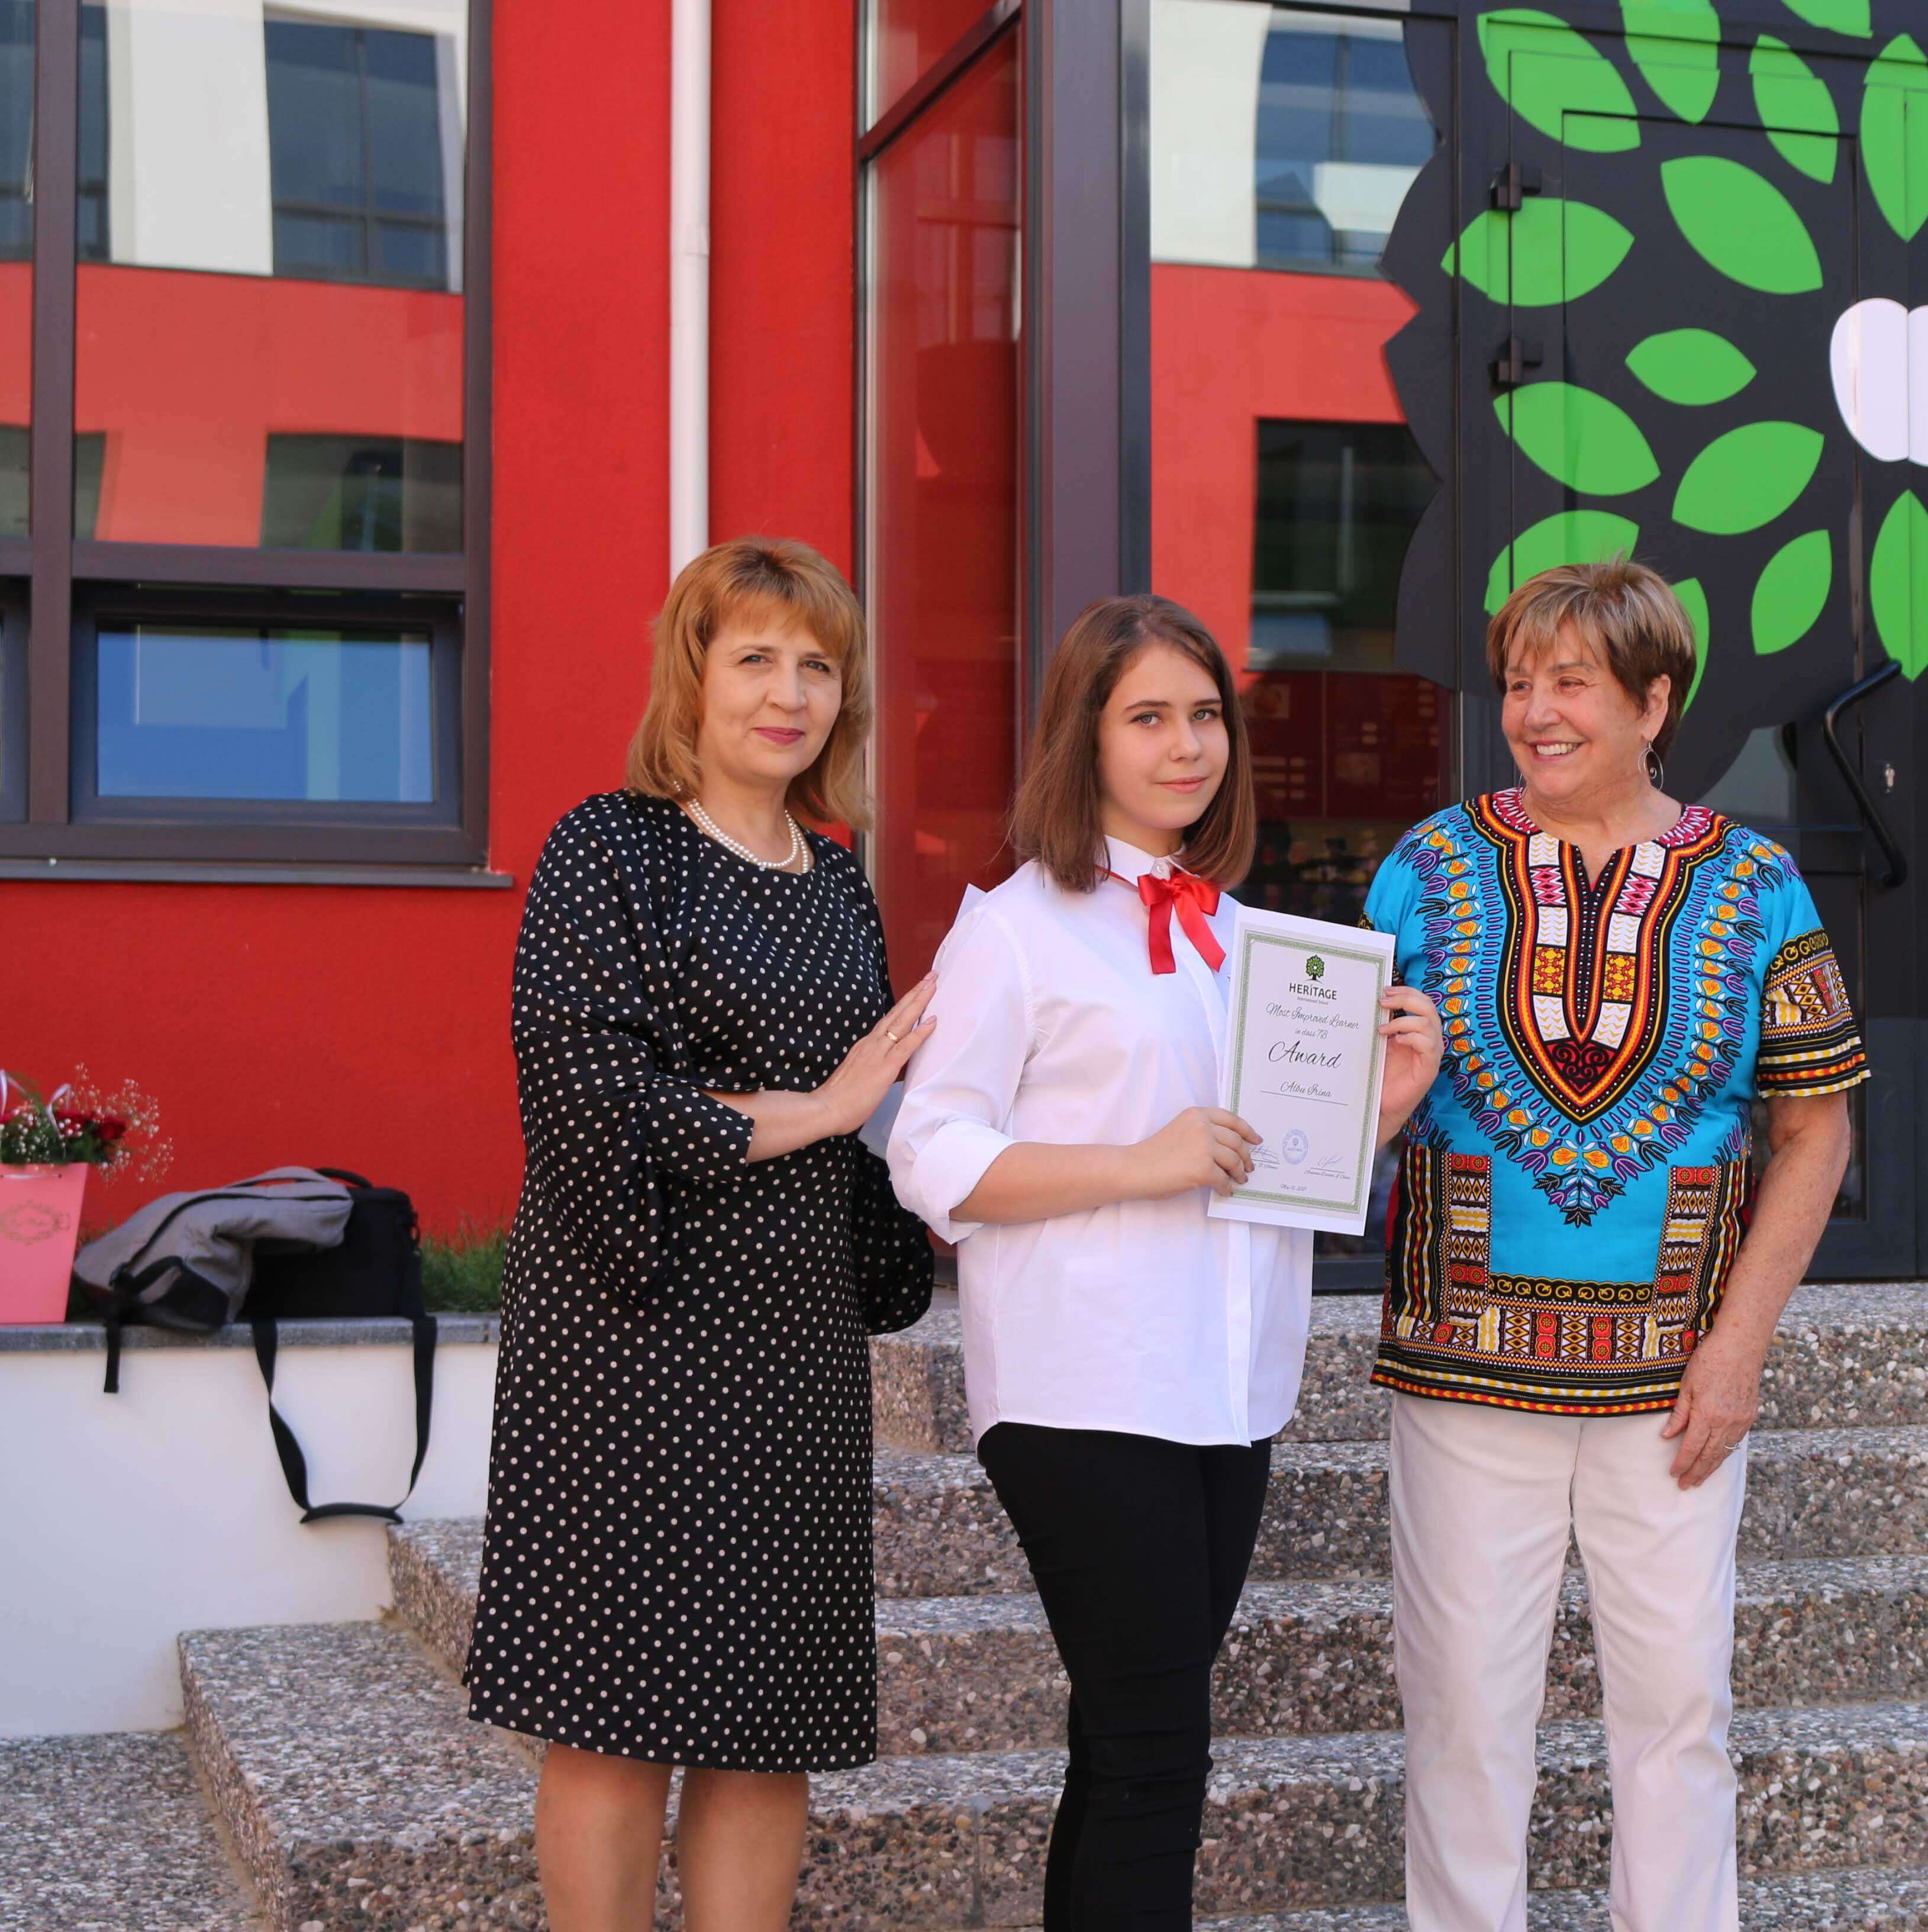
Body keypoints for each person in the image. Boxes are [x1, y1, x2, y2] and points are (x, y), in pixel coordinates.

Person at [886, 594, 1442, 1930]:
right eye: (1147, 716)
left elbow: (1269, 1171)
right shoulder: (1014, 928)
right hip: (1084, 1390)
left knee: (1122, 1749)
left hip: (1227, 1393)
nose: (1186, 745)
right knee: (1156, 1758)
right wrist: (1141, 1159)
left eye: (1204, 715)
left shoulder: (1248, 940)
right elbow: (930, 1154)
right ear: (1083, 735)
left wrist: (1380, 1107)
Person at [1362, 559, 1865, 1932]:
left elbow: (1815, 1130)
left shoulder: (1757, 882)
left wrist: (1739, 1346)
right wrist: (1375, 1102)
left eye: (1571, 682)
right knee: (1462, 1720)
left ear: (1653, 702)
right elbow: (1324, 1108)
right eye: (1519, 682)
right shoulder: (1421, 869)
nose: (1535, 712)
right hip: (1464, 1373)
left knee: (1678, 1715)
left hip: (1675, 1387)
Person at [465, 537, 939, 1931]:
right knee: (611, 1718)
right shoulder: (608, 848)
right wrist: (826, 1108)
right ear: (694, 674)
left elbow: (872, 1116)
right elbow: (590, 1096)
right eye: (756, 659)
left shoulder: (839, 881)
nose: (789, 693)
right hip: (629, 1330)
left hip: (792, 1343)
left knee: (765, 1724)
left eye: (818, 666)